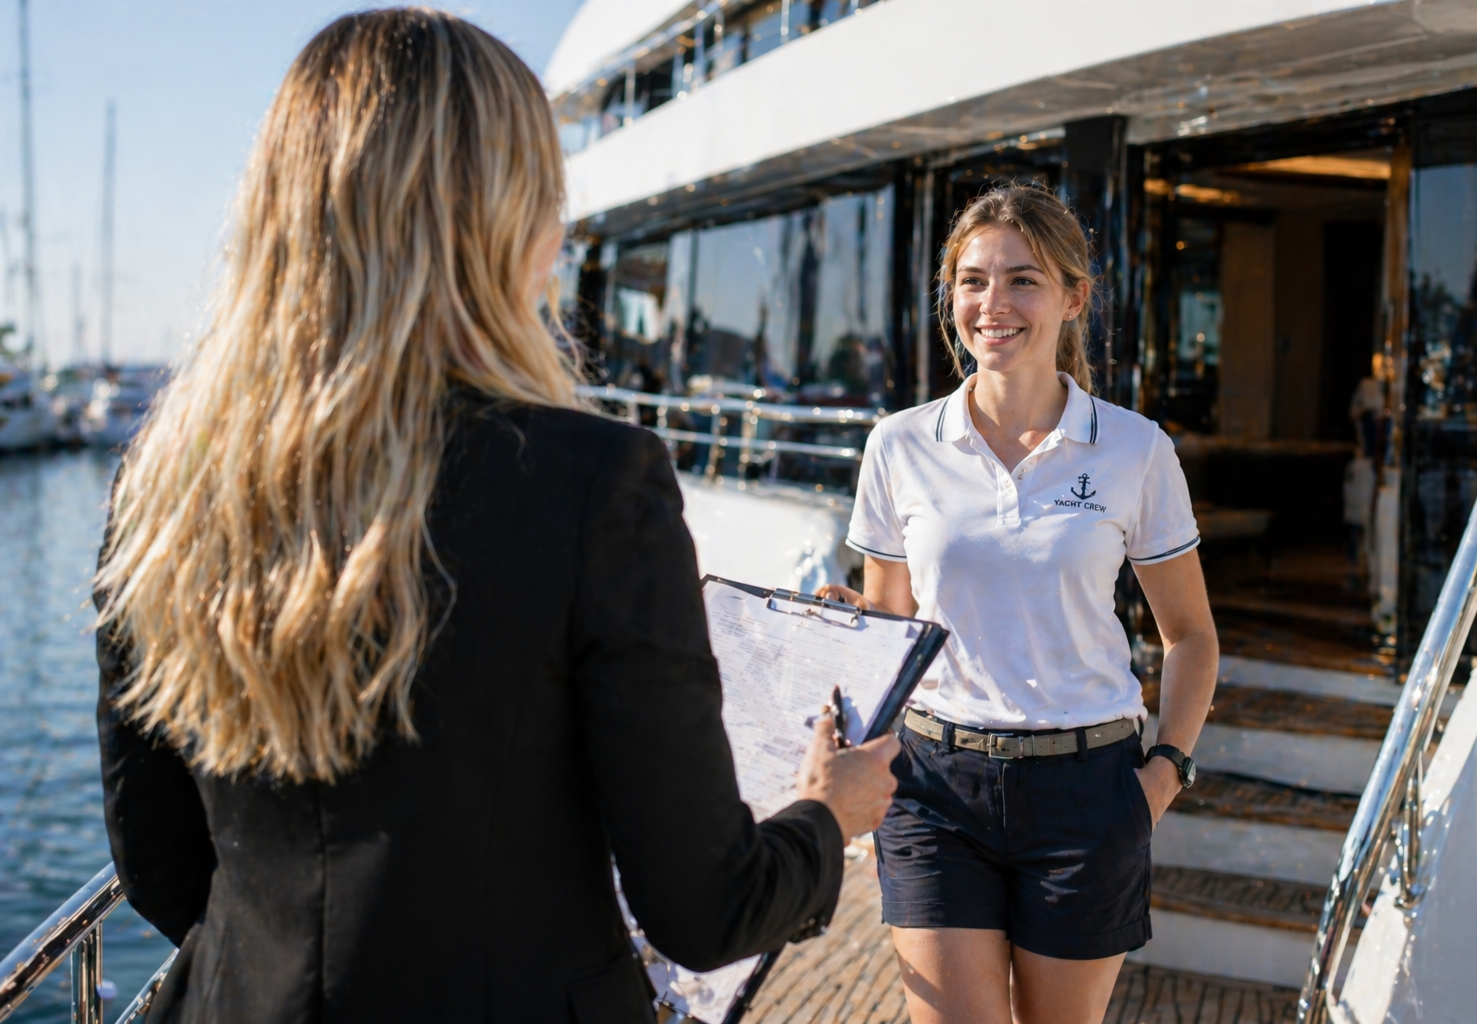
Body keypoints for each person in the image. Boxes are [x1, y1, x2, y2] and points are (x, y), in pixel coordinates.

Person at [91, 11, 898, 1023]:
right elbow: (705, 906)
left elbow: (159, 862)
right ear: (502, 222)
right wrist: (828, 811)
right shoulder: (594, 481)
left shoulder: (165, 482)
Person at [818, 183, 1219, 1024]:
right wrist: (845, 623)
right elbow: (895, 629)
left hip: (1088, 792)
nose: (992, 303)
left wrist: (1164, 775)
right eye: (972, 280)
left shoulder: (1135, 449)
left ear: (1074, 298)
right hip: (933, 786)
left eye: (1022, 280)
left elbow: (1190, 636)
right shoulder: (898, 444)